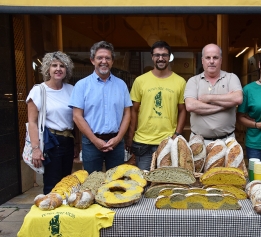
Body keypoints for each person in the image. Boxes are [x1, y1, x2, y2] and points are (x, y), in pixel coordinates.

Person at [69, 41, 132, 174]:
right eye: (99, 58)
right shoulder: (82, 85)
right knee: (92, 183)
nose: (104, 61)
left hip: (116, 142)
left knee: (117, 184)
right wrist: (95, 140)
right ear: (92, 60)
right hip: (91, 144)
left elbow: (127, 113)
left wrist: (119, 138)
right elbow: (77, 116)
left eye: (107, 58)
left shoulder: (121, 85)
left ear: (112, 61)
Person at [126, 41, 186, 171]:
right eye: (157, 55)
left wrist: (177, 134)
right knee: (144, 181)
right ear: (152, 57)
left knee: (166, 181)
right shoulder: (140, 81)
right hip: (143, 142)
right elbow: (133, 111)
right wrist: (130, 137)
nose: (161, 58)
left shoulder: (180, 82)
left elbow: (182, 110)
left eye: (164, 55)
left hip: (168, 141)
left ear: (169, 57)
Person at [26, 51, 79, 194]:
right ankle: (49, 214)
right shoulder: (39, 90)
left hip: (68, 140)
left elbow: (75, 119)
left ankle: (64, 215)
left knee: (67, 183)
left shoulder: (71, 90)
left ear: (66, 69)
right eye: (54, 65)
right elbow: (32, 122)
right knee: (52, 184)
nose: (58, 69)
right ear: (47, 69)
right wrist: (36, 149)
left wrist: (76, 144)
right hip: (51, 141)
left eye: (62, 66)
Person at [184, 43, 243, 145]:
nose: (211, 61)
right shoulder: (193, 81)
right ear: (202, 61)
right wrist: (223, 106)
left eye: (215, 57)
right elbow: (190, 106)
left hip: (227, 141)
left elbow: (238, 98)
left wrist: (208, 98)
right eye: (208, 58)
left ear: (221, 60)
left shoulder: (231, 78)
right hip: (198, 142)